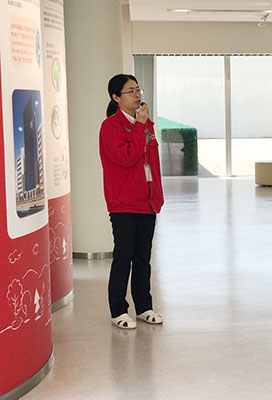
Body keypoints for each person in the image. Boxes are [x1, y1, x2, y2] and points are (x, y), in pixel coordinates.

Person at [100, 74, 164, 329]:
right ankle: (118, 310)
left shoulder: (145, 124)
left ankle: (144, 307)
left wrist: (157, 195)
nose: (137, 95)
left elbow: (152, 163)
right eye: (130, 91)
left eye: (138, 90)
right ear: (116, 98)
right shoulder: (110, 127)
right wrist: (140, 126)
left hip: (147, 201)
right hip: (123, 202)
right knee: (123, 256)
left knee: (143, 257)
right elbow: (127, 157)